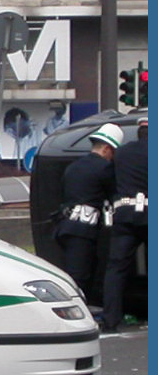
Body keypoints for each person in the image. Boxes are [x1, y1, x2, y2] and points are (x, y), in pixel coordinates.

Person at [53, 122, 123, 300]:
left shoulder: (73, 167)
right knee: (80, 277)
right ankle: (74, 315)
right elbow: (114, 195)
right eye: (114, 152)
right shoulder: (104, 168)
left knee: (71, 273)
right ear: (107, 149)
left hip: (65, 226)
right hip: (83, 229)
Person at [101, 116, 147, 332]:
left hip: (125, 214)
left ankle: (111, 320)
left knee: (116, 269)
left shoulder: (122, 153)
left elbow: (110, 180)